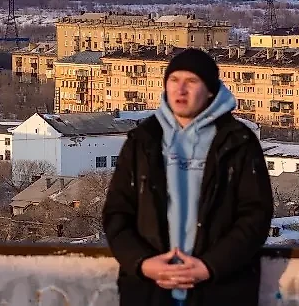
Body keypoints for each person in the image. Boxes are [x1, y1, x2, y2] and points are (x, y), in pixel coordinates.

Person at [103, 48, 273, 306]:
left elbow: (255, 216)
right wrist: (143, 263)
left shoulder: (237, 142)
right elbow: (117, 213)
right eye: (174, 80)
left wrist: (210, 266)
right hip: (149, 292)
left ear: (211, 91)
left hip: (220, 290)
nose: (180, 90)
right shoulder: (144, 140)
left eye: (191, 82)